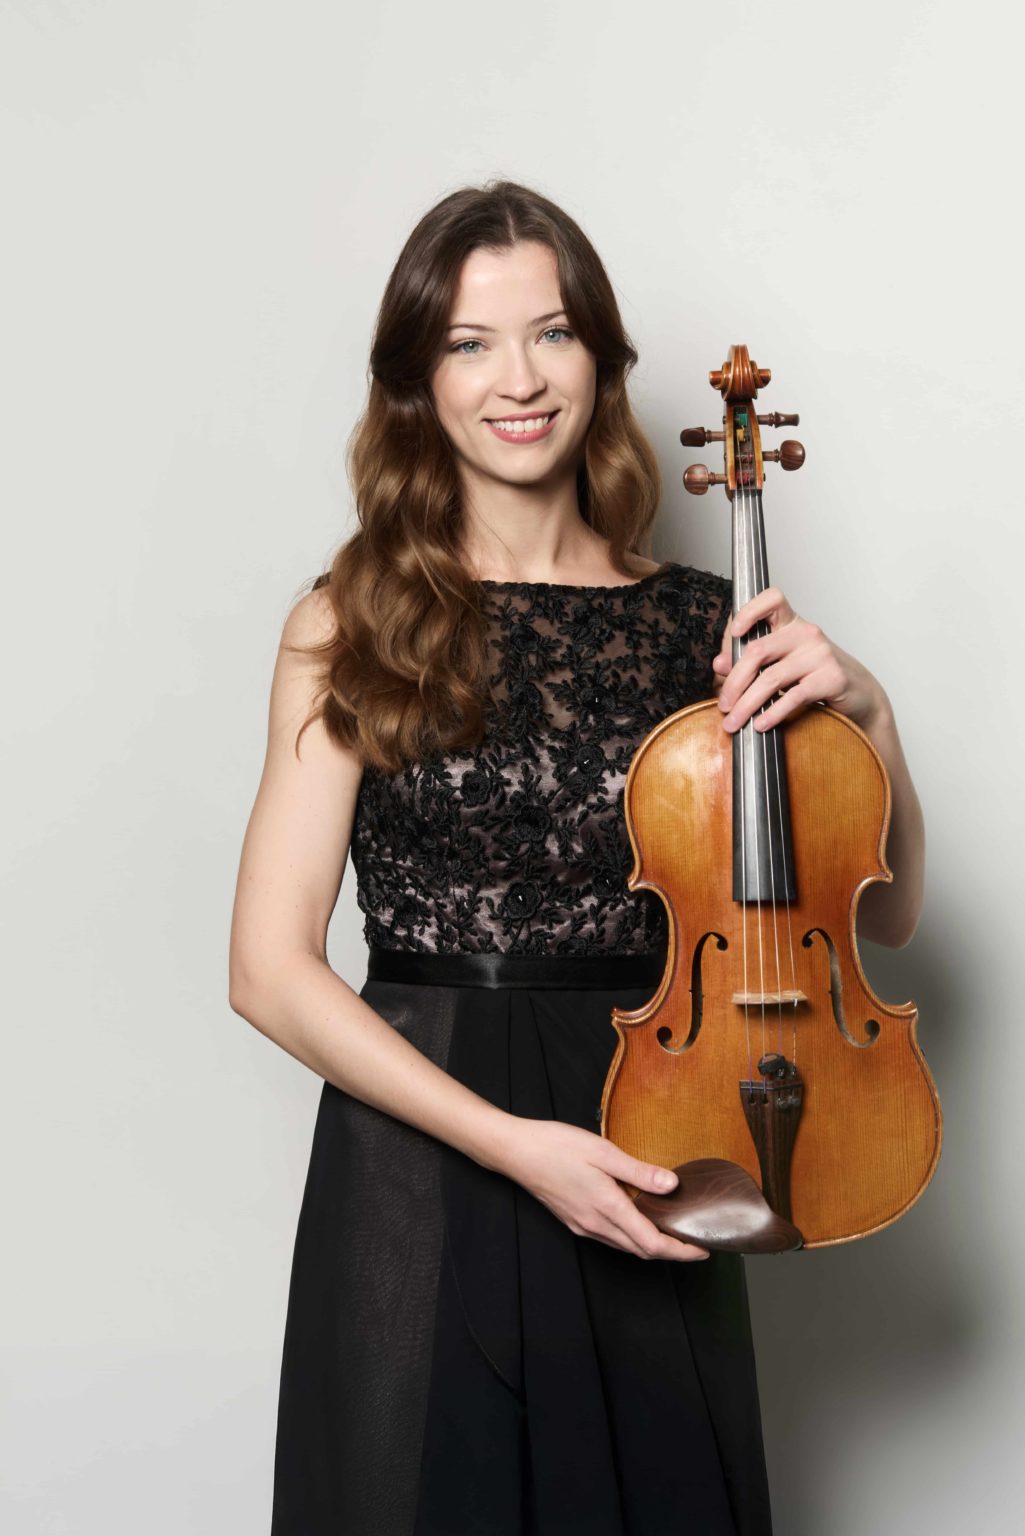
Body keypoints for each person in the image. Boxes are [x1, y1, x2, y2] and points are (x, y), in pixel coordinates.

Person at [228, 179, 924, 1536]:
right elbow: (267, 968)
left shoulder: (709, 627)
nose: (519, 380)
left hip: (658, 1130)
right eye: (470, 344)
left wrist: (873, 717)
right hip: (425, 1141)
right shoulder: (350, 618)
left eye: (551, 333)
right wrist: (514, 1150)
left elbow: (882, 919)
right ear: (418, 382)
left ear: (600, 358)